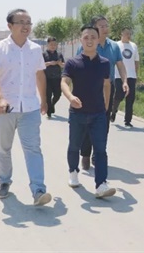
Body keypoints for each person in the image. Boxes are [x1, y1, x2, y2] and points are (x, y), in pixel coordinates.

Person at [0, 8, 52, 206]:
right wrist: (0, 98)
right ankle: (4, 181)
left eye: (28, 22)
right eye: (21, 22)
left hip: (30, 107)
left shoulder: (35, 49)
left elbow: (40, 74)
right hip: (4, 109)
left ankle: (38, 190)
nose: (26, 26)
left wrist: (44, 99)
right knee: (3, 148)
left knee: (33, 149)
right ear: (10, 26)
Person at [62, 25, 117, 198]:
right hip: (77, 113)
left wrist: (106, 105)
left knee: (100, 149)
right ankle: (73, 172)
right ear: (81, 40)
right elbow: (64, 82)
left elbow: (107, 84)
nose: (90, 40)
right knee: (74, 145)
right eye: (86, 37)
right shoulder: (73, 63)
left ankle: (101, 184)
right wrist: (70, 97)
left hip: (98, 114)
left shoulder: (104, 63)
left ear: (98, 40)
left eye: (93, 37)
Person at [77, 16, 128, 171]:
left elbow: (120, 65)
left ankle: (98, 154)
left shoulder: (114, 46)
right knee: (87, 122)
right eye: (101, 26)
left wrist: (124, 81)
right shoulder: (86, 45)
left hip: (107, 88)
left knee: (103, 122)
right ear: (94, 28)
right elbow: (78, 65)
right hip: (89, 89)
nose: (105, 28)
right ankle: (85, 153)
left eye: (107, 25)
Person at [112, 28, 139, 127]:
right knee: (119, 94)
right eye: (126, 33)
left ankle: (128, 120)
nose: (128, 35)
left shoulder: (133, 46)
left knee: (130, 98)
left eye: (130, 34)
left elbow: (136, 61)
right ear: (121, 34)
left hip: (131, 75)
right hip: (119, 75)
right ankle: (113, 110)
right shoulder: (116, 45)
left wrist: (135, 74)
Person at [43, 37, 64, 119]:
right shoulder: (44, 54)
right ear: (47, 45)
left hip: (57, 77)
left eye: (54, 44)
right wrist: (49, 63)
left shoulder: (59, 54)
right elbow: (40, 64)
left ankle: (52, 104)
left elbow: (63, 65)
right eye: (51, 44)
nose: (53, 46)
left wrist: (60, 64)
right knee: (48, 95)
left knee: (58, 94)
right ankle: (49, 112)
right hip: (47, 78)